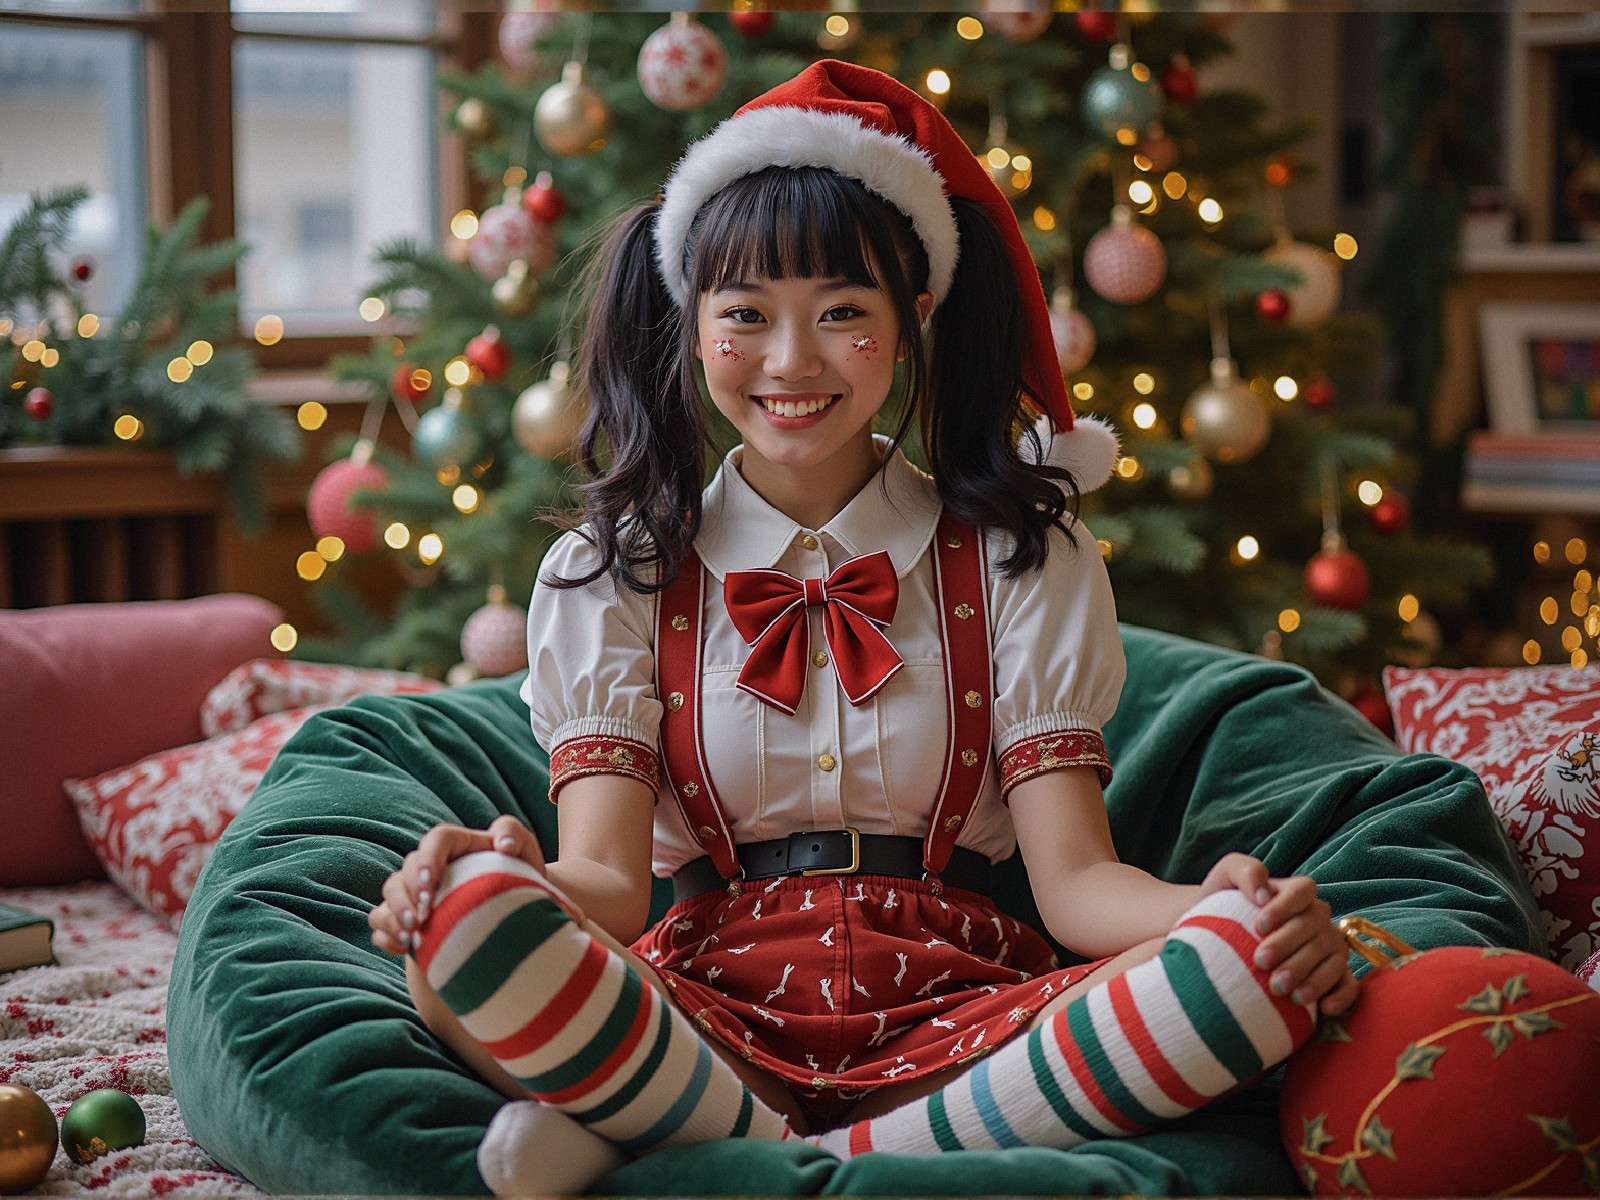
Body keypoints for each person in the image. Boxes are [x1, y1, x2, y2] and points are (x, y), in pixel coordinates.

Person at [368, 60, 1358, 1188]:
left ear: (913, 317)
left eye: (843, 315)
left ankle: (696, 1135)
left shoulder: (1018, 554)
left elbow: (1079, 886)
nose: (792, 364)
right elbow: (607, 882)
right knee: (464, 941)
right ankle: (807, 1132)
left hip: (969, 1008)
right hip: (701, 1000)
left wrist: (1220, 906)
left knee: (1252, 973)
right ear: (690, 324)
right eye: (746, 317)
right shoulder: (617, 572)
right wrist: (500, 881)